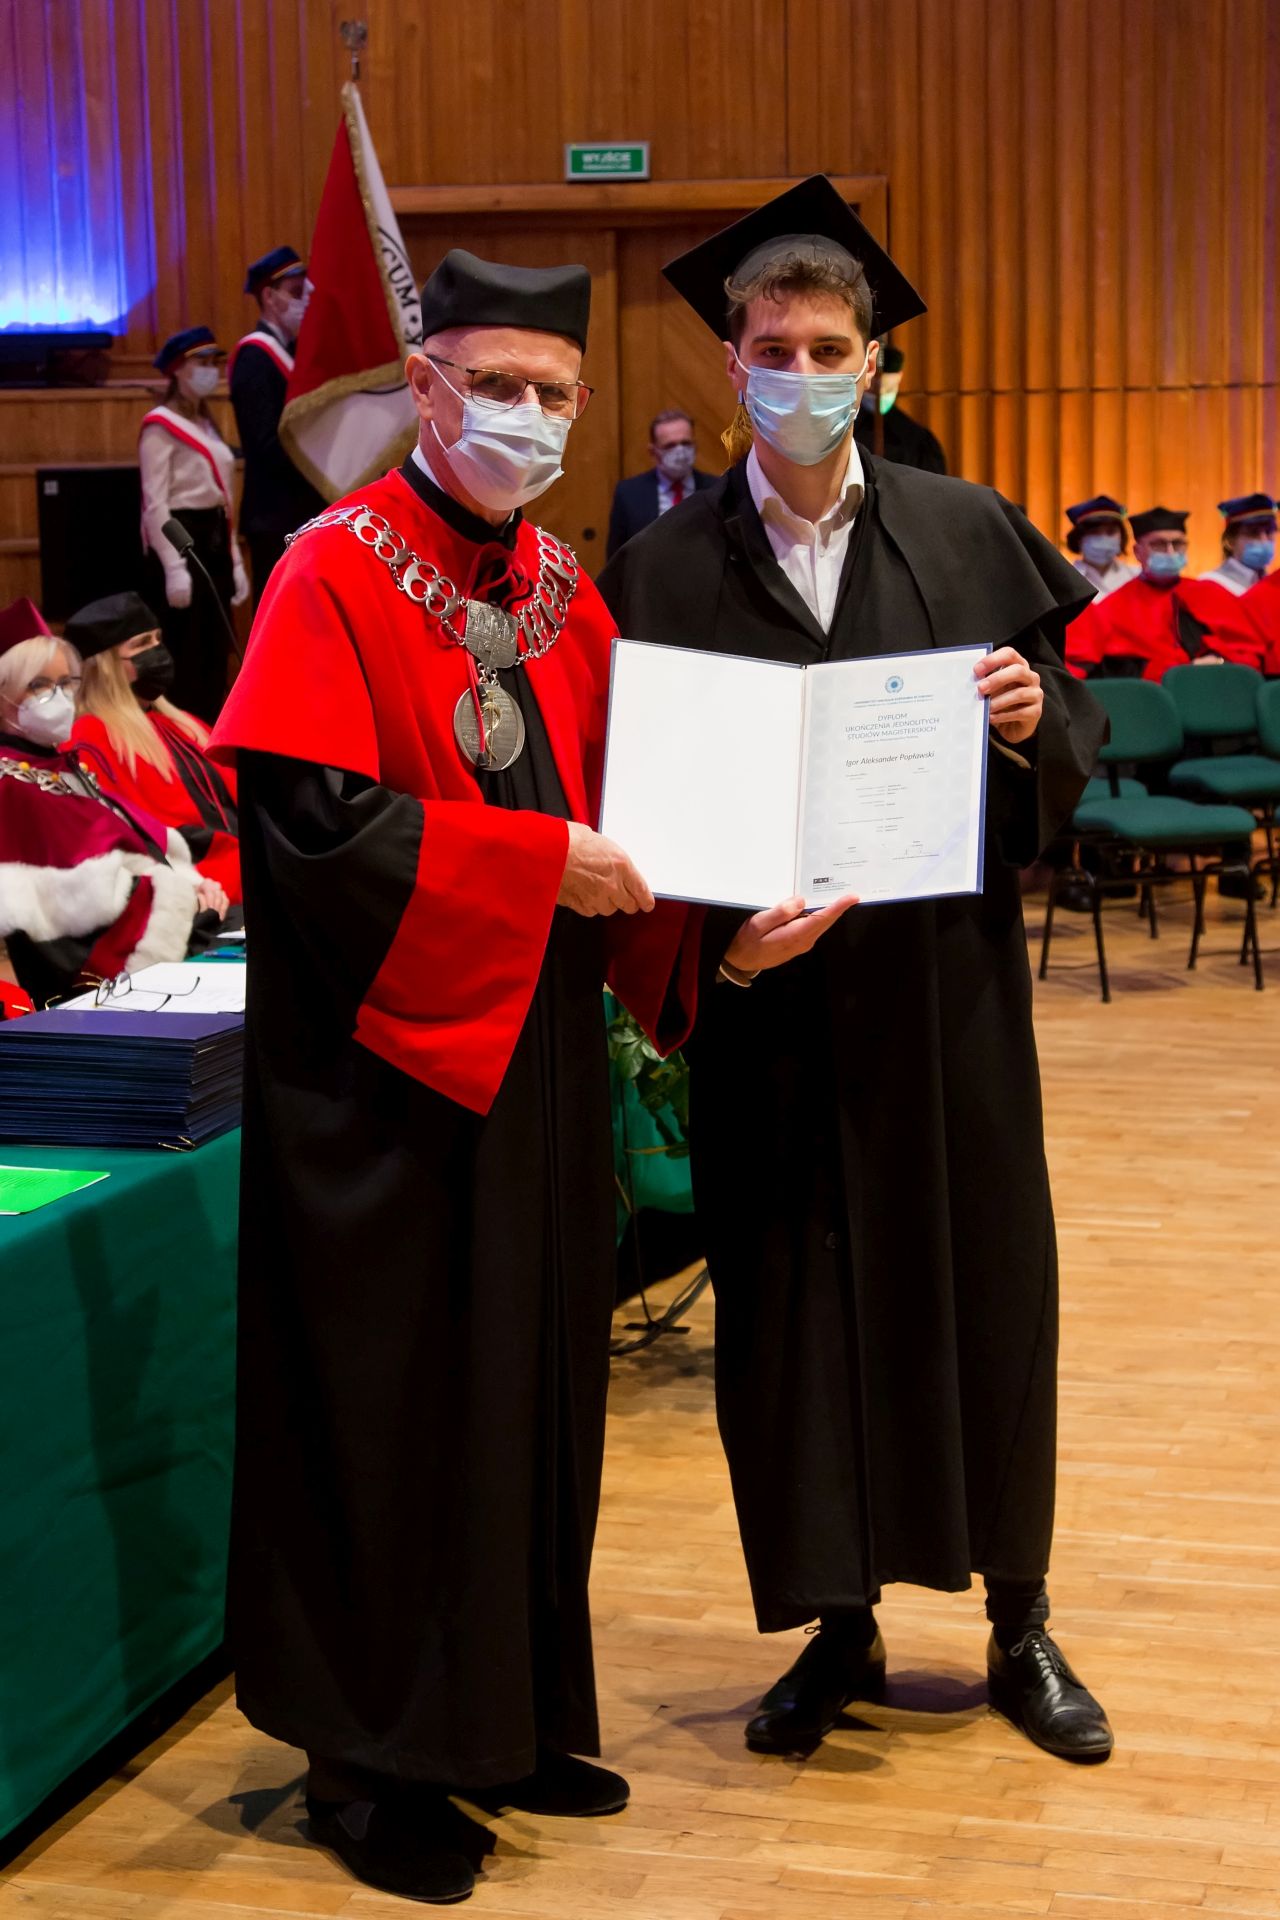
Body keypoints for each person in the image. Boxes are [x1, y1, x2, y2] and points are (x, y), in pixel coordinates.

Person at [209, 245, 785, 1906]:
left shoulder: (560, 588)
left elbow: (633, 814)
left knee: (529, 1391)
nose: (524, 416)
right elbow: (313, 837)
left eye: (552, 393)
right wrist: (537, 870)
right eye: (495, 386)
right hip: (378, 1081)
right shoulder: (329, 572)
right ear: (426, 384)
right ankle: (366, 1758)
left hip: (528, 1066)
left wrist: (726, 925)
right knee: (389, 1404)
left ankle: (502, 1716)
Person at [599, 174, 1115, 1767]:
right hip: (774, 1018)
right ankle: (839, 1626)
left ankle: (1020, 1619)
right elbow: (639, 817)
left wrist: (1031, 725)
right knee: (790, 1319)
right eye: (774, 348)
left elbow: (1067, 741)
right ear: (731, 362)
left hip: (944, 1003)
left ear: (876, 365)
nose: (802, 374)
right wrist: (719, 951)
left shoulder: (967, 528)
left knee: (987, 1291)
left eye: (831, 349)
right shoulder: (660, 570)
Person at [0, 621, 218, 1008]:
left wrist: (192, 884)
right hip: (107, 975)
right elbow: (66, 917)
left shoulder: (61, 764)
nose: (59, 697)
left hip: (164, 919)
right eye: (38, 685)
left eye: (66, 683)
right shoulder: (10, 784)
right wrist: (190, 907)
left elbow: (132, 840)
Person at [68, 592, 241, 904]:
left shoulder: (184, 724)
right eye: (142, 644)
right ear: (105, 665)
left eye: (158, 639)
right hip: (199, 884)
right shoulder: (91, 738)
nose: (157, 651)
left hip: (243, 868)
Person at [139, 327, 250, 723]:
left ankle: (210, 729)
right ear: (177, 369)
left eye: (214, 362)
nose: (210, 370)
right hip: (181, 537)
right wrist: (173, 567)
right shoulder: (160, 424)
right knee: (186, 648)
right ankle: (183, 731)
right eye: (200, 362)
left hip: (214, 535)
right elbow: (155, 503)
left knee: (214, 648)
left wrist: (235, 559)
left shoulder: (205, 422)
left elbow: (224, 497)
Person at [1065, 507, 1266, 679]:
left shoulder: (1211, 592)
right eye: (1159, 544)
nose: (1170, 552)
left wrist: (1219, 659)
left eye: (1177, 544)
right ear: (1137, 552)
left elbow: (1251, 653)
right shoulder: (1113, 607)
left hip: (1217, 687)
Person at [229, 246, 325, 604]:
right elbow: (264, 442)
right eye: (295, 293)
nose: (304, 302)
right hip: (274, 512)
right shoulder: (254, 356)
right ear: (269, 297)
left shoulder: (296, 352)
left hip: (301, 508)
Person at [605, 409, 717, 556]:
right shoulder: (629, 493)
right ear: (653, 452)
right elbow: (617, 557)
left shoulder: (716, 488)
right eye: (670, 445)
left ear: (695, 446)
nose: (680, 451)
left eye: (686, 443)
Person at [854, 342, 947, 472]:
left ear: (900, 377)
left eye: (888, 389)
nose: (880, 396)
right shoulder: (844, 431)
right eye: (873, 390)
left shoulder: (916, 439)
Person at [1062, 494, 1139, 598]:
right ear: (1079, 538)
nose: (1103, 538)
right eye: (1094, 532)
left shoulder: (1137, 577)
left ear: (1122, 536)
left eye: (1110, 532)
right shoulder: (1065, 581)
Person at [1201, 492, 1277, 595]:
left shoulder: (1273, 585)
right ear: (1230, 541)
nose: (1264, 540)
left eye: (1269, 531)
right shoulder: (1211, 584)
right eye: (1253, 533)